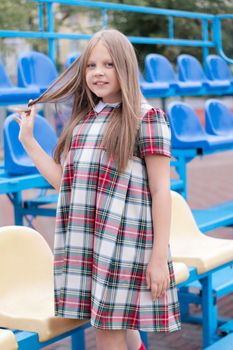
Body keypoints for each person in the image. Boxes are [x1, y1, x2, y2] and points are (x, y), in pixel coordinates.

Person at [14, 29, 181, 350]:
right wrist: (28, 142)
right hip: (87, 243)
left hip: (125, 243)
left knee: (107, 330)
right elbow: (68, 185)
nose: (98, 73)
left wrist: (159, 258)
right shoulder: (84, 121)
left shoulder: (146, 118)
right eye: (91, 65)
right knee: (113, 325)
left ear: (125, 68)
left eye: (109, 64)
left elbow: (161, 191)